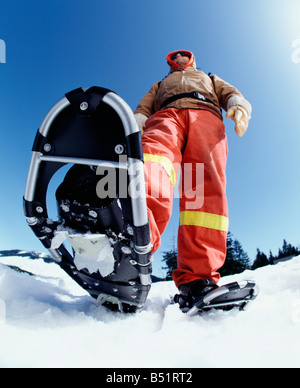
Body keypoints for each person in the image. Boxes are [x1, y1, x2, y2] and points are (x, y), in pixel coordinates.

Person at [134, 50, 252, 312]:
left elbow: (229, 92)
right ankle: (131, 240)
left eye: (183, 56)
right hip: (167, 116)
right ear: (169, 63)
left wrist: (237, 105)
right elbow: (143, 109)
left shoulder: (208, 78)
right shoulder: (161, 84)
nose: (178, 59)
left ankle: (198, 278)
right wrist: (136, 123)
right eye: (173, 57)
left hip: (206, 117)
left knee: (204, 191)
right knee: (152, 162)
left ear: (191, 59)